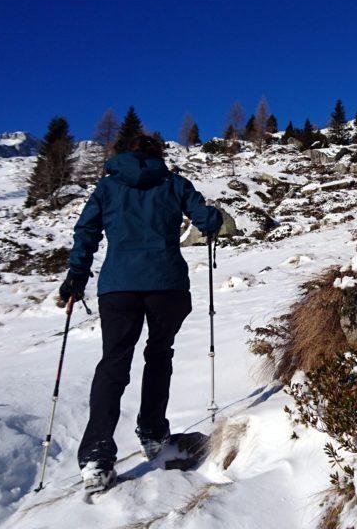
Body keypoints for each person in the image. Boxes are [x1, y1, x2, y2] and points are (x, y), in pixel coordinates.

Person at [59, 133, 222, 492]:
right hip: (167, 285)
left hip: (118, 286)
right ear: (157, 155)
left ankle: (97, 455)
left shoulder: (108, 187)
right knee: (159, 354)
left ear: (121, 156)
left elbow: (86, 230)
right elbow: (207, 221)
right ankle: (152, 432)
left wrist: (77, 274)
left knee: (114, 362)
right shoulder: (174, 183)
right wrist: (213, 217)